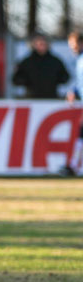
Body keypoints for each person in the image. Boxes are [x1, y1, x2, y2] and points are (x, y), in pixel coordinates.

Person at [11, 33, 69, 99]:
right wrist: (27, 81)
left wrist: (53, 80)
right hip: (32, 99)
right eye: (39, 43)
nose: (41, 46)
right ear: (33, 45)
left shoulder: (55, 61)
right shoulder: (27, 62)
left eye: (43, 43)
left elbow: (65, 77)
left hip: (51, 98)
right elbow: (15, 80)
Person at [61, 32, 83, 176]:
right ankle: (74, 165)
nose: (72, 48)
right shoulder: (79, 59)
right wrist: (73, 90)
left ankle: (74, 166)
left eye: (74, 45)